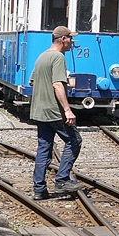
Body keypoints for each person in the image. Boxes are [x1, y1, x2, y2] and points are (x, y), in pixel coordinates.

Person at [29, 25, 82, 200]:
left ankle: (39, 189)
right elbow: (57, 84)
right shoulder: (58, 57)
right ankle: (62, 179)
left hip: (39, 110)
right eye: (70, 39)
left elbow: (32, 82)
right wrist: (67, 110)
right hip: (54, 111)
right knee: (74, 140)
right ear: (63, 40)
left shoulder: (42, 57)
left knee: (44, 147)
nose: (72, 42)